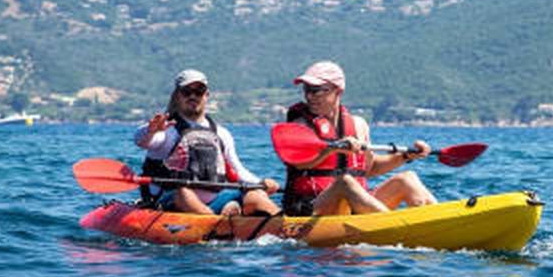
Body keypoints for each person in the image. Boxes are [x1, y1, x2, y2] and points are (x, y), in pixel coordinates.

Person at [282, 61, 436, 216]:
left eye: (317, 91)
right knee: (345, 183)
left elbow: (369, 168)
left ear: (338, 91)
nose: (309, 96)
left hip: (353, 210)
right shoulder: (299, 125)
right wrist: (332, 148)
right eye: (307, 89)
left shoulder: (358, 125)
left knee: (408, 179)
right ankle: (397, 226)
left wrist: (405, 156)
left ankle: (436, 221)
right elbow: (299, 165)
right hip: (312, 209)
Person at [134, 69, 280, 216]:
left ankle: (286, 225)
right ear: (177, 96)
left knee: (256, 194)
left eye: (199, 91)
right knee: (183, 192)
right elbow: (141, 141)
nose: (193, 96)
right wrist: (150, 130)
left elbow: (238, 170)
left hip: (216, 199)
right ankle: (218, 220)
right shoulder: (167, 131)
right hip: (171, 202)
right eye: (186, 92)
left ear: (206, 95)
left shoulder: (221, 133)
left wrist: (261, 183)